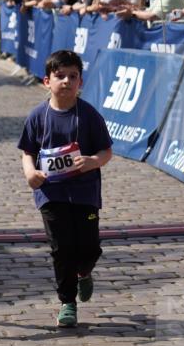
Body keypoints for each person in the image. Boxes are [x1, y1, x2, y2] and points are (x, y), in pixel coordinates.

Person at [18, 49, 113, 329]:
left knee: (89, 248)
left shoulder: (89, 115)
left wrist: (93, 161)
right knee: (61, 248)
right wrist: (30, 173)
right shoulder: (38, 116)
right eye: (60, 76)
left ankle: (84, 272)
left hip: (84, 192)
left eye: (73, 77)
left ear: (81, 82)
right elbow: (27, 152)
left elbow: (106, 152)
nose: (67, 82)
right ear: (47, 81)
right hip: (51, 192)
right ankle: (67, 302)